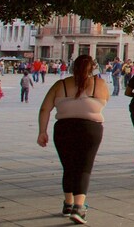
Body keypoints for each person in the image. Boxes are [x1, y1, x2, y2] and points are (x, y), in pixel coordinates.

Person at [37, 54, 110, 224]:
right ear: (93, 67)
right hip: (90, 129)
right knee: (84, 167)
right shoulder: (100, 84)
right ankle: (79, 207)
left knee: (69, 167)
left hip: (64, 129)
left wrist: (42, 131)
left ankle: (68, 204)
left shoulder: (60, 84)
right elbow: (106, 100)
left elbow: (44, 109)